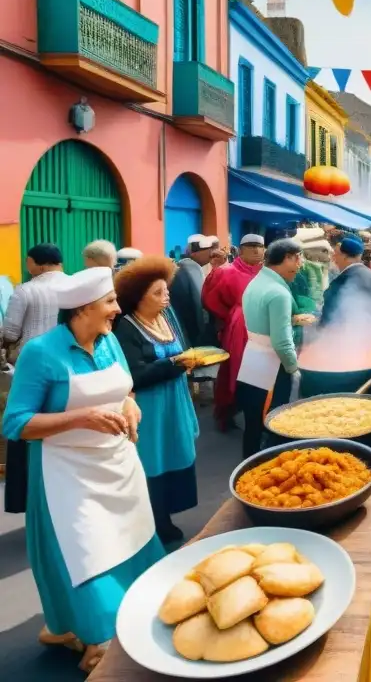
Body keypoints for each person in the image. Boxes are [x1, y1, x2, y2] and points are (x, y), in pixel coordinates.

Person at [2, 267, 161, 673]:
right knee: (87, 553)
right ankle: (97, 639)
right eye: (109, 302)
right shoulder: (42, 353)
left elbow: (124, 388)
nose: (116, 309)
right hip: (66, 474)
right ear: (83, 308)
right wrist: (80, 418)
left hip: (118, 465)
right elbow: (15, 423)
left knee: (132, 537)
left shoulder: (109, 341)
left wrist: (129, 406)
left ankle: (98, 623)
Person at [113, 257, 200, 544]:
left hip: (176, 401)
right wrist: (174, 365)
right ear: (138, 297)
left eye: (167, 292)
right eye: (158, 293)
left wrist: (189, 361)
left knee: (177, 454)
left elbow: (183, 348)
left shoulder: (167, 315)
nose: (166, 298)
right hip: (150, 408)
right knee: (152, 462)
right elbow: (133, 375)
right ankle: (153, 523)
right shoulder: (125, 327)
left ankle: (166, 514)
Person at [3, 243, 67, 516]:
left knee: (26, 427)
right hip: (67, 367)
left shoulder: (26, 290)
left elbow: (10, 331)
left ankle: (29, 497)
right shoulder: (73, 286)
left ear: (37, 263)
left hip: (29, 368)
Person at [236, 239, 303, 458]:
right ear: (285, 259)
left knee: (253, 423)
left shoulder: (257, 282)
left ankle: (248, 467)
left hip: (252, 358)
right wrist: (294, 368)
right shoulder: (279, 292)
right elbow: (281, 342)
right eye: (296, 258)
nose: (299, 265)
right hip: (272, 367)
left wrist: (292, 321)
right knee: (273, 422)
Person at [202, 234, 264, 430]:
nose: (256, 250)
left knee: (261, 373)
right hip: (238, 330)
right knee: (234, 371)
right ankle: (226, 413)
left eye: (260, 247)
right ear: (242, 249)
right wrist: (232, 316)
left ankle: (258, 415)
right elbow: (210, 299)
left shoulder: (267, 273)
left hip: (263, 329)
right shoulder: (225, 272)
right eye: (251, 246)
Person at [4, 244, 66, 363]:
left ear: (41, 267)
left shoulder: (24, 290)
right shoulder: (76, 286)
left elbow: (10, 333)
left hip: (31, 359)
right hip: (68, 356)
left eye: (28, 262)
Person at [321, 236, 371, 330]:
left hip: (347, 341)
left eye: (336, 254)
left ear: (344, 256)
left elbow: (327, 323)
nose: (333, 258)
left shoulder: (339, 284)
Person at [169, 234, 214, 349]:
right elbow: (198, 303)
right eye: (208, 250)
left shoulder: (189, 267)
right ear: (194, 252)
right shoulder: (190, 269)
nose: (211, 253)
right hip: (192, 332)